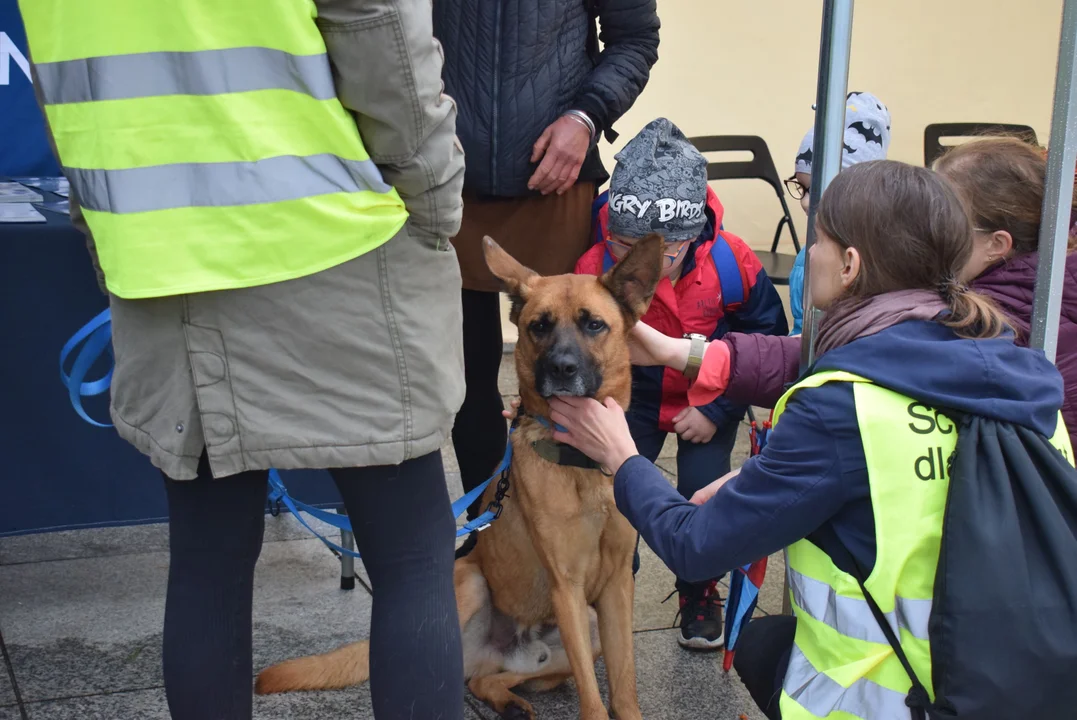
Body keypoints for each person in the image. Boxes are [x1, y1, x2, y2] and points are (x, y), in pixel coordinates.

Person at [20, 1, 467, 718]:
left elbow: (60, 73)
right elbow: (380, 28)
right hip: (336, 239)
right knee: (412, 554)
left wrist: (109, 233)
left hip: (159, 255)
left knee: (207, 560)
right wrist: (437, 199)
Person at [539, 161, 1068, 719]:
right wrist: (686, 360)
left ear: (849, 264)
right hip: (1026, 678)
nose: (807, 254)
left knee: (762, 647)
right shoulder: (1021, 372)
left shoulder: (841, 409)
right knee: (768, 643)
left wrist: (622, 458)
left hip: (900, 699)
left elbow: (696, 547)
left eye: (816, 240)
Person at [435, 0, 661, 542]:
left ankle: (591, 528)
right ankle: (490, 531)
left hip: (553, 179)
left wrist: (586, 117)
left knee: (576, 364)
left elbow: (635, 39)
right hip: (446, 180)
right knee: (467, 376)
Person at [575, 118, 788, 650]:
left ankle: (698, 591)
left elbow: (767, 337)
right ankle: (614, 574)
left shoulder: (731, 262)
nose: (634, 264)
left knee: (701, 497)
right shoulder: (591, 264)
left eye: (658, 254)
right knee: (618, 488)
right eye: (621, 245)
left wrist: (717, 413)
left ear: (689, 238)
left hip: (709, 397)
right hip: (637, 397)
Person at [934, 136, 1077, 449]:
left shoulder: (989, 323)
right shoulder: (1052, 289)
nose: (929, 232)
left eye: (944, 222)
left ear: (996, 244)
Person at [786, 92, 891, 334]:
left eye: (817, 190)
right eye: (801, 188)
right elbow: (802, 332)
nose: (805, 203)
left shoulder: (887, 262)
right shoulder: (809, 256)